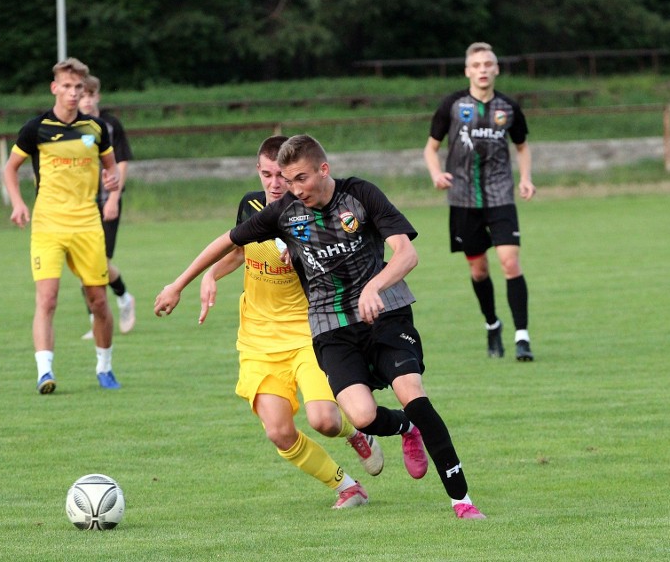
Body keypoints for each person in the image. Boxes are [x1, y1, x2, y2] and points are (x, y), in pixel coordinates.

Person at [155, 134, 486, 519]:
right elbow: (227, 241)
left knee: (412, 391)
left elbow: (406, 253)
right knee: (360, 416)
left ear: (323, 170)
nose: (292, 189)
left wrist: (375, 285)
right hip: (331, 325)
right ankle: (404, 428)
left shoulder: (360, 194)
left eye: (299, 179)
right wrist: (179, 284)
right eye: (285, 180)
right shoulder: (284, 213)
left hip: (384, 312)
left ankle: (462, 501)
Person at [196, 135, 383, 509]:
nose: (274, 183)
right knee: (279, 432)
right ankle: (347, 486)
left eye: (281, 175)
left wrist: (299, 254)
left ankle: (354, 432)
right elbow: (237, 249)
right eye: (267, 174)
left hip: (307, 330)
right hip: (257, 339)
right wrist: (210, 275)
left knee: (325, 421)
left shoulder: (310, 211)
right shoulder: (250, 206)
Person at [3, 57, 123, 394]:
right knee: (48, 299)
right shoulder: (36, 128)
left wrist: (112, 184)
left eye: (78, 88)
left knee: (98, 301)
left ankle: (104, 366)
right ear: (55, 88)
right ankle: (45, 372)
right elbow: (10, 169)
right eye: (67, 87)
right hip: (48, 224)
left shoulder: (95, 130)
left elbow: (110, 169)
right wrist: (17, 202)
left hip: (87, 224)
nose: (73, 93)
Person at [423, 41, 537, 362]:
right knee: (478, 270)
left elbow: (523, 147)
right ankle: (492, 324)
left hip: (500, 195)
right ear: (467, 71)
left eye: (488, 64)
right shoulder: (453, 105)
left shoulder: (509, 108)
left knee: (510, 263)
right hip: (462, 199)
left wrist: (525, 178)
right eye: (477, 66)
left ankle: (522, 337)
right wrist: (436, 174)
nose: (483, 70)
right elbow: (430, 148)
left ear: (497, 69)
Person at [78, 74, 135, 340]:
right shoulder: (71, 127)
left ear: (97, 96)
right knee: (83, 262)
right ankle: (95, 319)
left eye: (90, 95)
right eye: (82, 95)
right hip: (79, 204)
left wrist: (114, 197)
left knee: (99, 260)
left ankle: (124, 297)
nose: (86, 101)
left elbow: (121, 162)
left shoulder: (110, 125)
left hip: (106, 200)